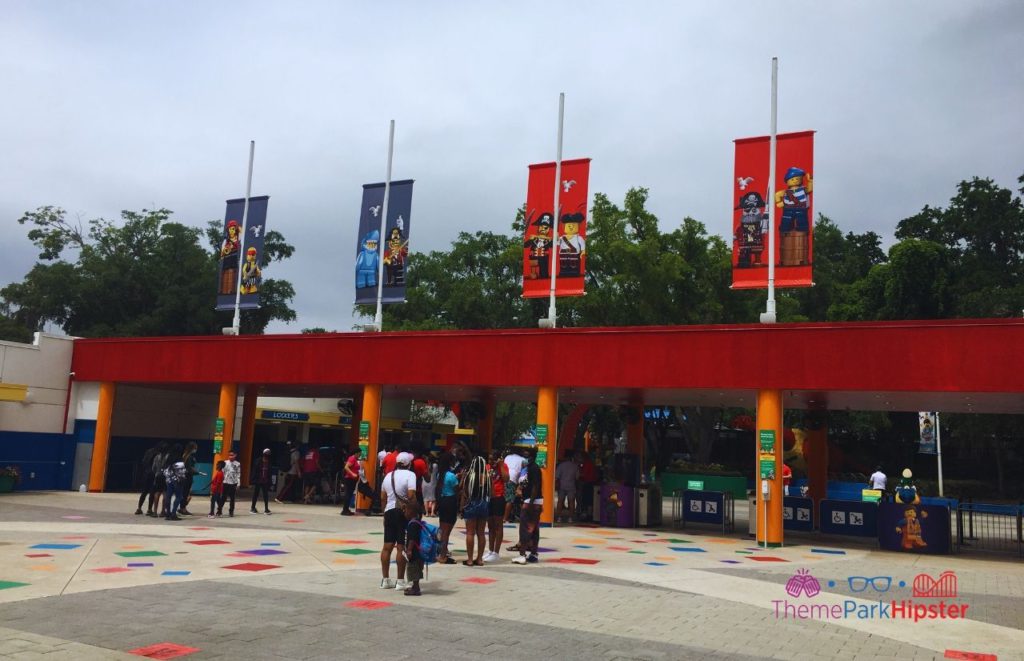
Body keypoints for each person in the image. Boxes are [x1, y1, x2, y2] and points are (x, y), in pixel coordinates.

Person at [379, 452, 416, 590]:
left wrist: (384, 513)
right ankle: (400, 581)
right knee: (401, 547)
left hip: (389, 512)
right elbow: (411, 495)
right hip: (402, 514)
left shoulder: (388, 475)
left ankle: (385, 579)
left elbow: (383, 497)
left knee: (387, 547)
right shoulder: (410, 475)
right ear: (408, 464)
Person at [512, 448, 543, 564]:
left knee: (525, 528)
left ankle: (522, 554)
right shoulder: (530, 468)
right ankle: (533, 554)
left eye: (527, 456)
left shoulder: (533, 468)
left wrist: (530, 503)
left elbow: (535, 486)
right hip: (534, 501)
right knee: (534, 529)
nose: (525, 458)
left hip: (531, 502)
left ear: (532, 456)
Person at [460, 455, 491, 566]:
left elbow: (464, 493)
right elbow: (490, 493)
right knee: (481, 533)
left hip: (471, 504)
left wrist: (461, 508)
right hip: (483, 504)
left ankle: (469, 559)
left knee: (470, 533)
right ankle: (479, 559)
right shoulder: (487, 476)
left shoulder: (470, 476)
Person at [484, 448, 509, 562]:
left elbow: (506, 479)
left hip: (499, 498)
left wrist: (501, 465)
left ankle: (496, 552)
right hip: (489, 498)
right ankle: (490, 550)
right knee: (490, 526)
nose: (490, 461)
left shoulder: (503, 466)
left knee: (498, 525)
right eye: (488, 459)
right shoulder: (487, 467)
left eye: (492, 459)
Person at [435, 454, 459, 565]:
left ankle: (440, 551)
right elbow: (457, 489)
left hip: (442, 501)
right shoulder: (451, 476)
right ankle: (443, 555)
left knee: (442, 529)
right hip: (451, 501)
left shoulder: (440, 474)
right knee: (447, 531)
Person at [136, 442, 166, 516]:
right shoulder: (158, 454)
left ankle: (139, 508)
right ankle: (149, 509)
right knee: (152, 492)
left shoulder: (149, 451)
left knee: (144, 492)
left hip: (146, 473)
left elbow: (144, 462)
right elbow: (155, 466)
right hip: (153, 474)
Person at [401, 499, 424, 596]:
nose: (404, 512)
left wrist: (409, 550)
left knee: (412, 569)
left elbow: (412, 538)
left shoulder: (412, 524)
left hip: (414, 552)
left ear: (411, 511)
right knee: (416, 569)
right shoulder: (417, 521)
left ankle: (416, 588)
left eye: (405, 510)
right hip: (418, 552)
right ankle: (415, 587)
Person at [179, 441, 205, 516]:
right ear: (192, 448)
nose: (196, 450)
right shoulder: (189, 457)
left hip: (183, 476)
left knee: (184, 493)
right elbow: (190, 469)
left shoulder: (184, 455)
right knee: (186, 493)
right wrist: (199, 472)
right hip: (188, 477)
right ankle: (183, 508)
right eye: (195, 448)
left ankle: (182, 507)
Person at [555, 450, 579, 522]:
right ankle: (570, 518)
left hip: (562, 486)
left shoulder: (561, 465)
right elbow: (577, 478)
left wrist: (557, 485)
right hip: (571, 486)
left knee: (560, 501)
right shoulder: (575, 466)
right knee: (571, 502)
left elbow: (557, 477)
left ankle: (559, 517)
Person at [503, 447, 526, 523]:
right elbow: (526, 468)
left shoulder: (507, 457)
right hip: (512, 479)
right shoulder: (522, 459)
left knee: (504, 498)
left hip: (503, 477)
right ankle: (505, 518)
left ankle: (502, 516)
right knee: (510, 500)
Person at [251, 449, 273, 515]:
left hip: (265, 481)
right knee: (256, 494)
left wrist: (270, 482)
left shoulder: (269, 462)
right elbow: (254, 471)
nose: (267, 456)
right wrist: (253, 480)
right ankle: (252, 508)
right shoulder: (258, 461)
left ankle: (266, 509)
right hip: (258, 480)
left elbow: (269, 473)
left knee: (265, 495)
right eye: (266, 454)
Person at [577, 450, 598, 521]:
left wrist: (578, 472)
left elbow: (584, 474)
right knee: (589, 499)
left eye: (579, 457)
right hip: (591, 482)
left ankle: (587, 515)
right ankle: (589, 515)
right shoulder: (591, 463)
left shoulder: (587, 464)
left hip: (588, 483)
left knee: (586, 500)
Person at [221, 450, 241, 517]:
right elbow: (222, 472)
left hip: (233, 483)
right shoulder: (225, 462)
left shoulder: (237, 464)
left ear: (235, 455)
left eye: (232, 455)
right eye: (229, 455)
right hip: (225, 482)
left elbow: (238, 474)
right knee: (223, 497)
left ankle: (231, 511)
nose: (230, 456)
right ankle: (219, 510)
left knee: (232, 498)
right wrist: (221, 481)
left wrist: (238, 483)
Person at [340, 449, 360, 515]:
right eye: (359, 453)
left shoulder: (354, 459)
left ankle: (346, 509)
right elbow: (346, 467)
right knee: (348, 494)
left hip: (352, 480)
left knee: (349, 494)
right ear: (356, 453)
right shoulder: (352, 458)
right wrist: (352, 474)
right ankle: (344, 510)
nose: (360, 455)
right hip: (349, 479)